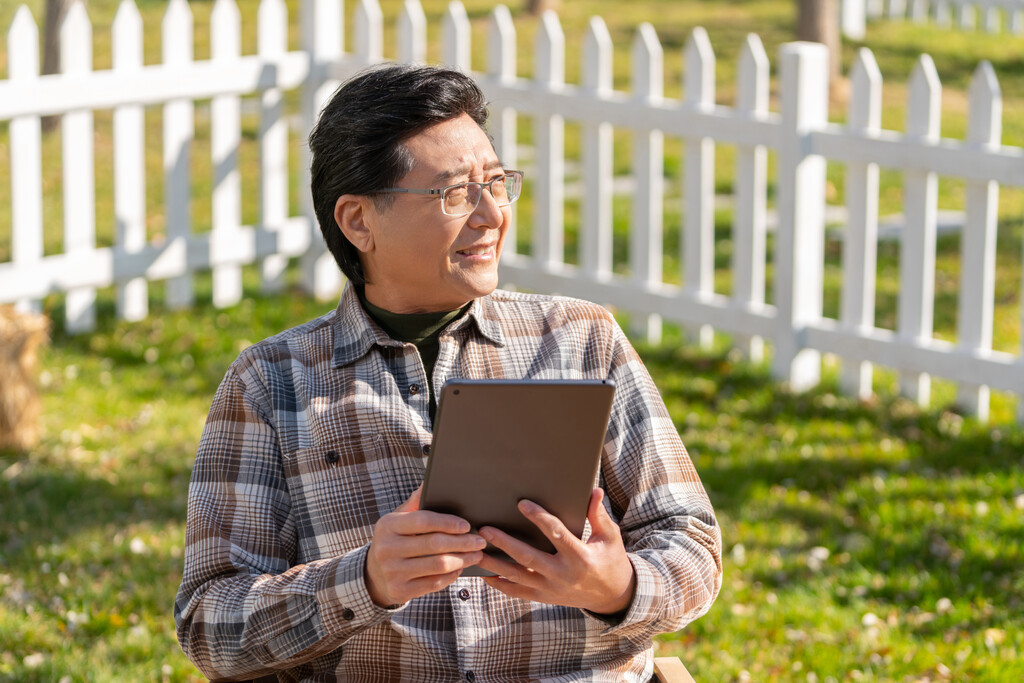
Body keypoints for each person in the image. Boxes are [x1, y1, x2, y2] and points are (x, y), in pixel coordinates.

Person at [175, 63, 722, 682]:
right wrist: (364, 581)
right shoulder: (269, 384)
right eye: (456, 193)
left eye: (497, 183)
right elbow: (210, 627)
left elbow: (693, 546)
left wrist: (617, 586)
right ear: (358, 221)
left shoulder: (581, 340)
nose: (491, 216)